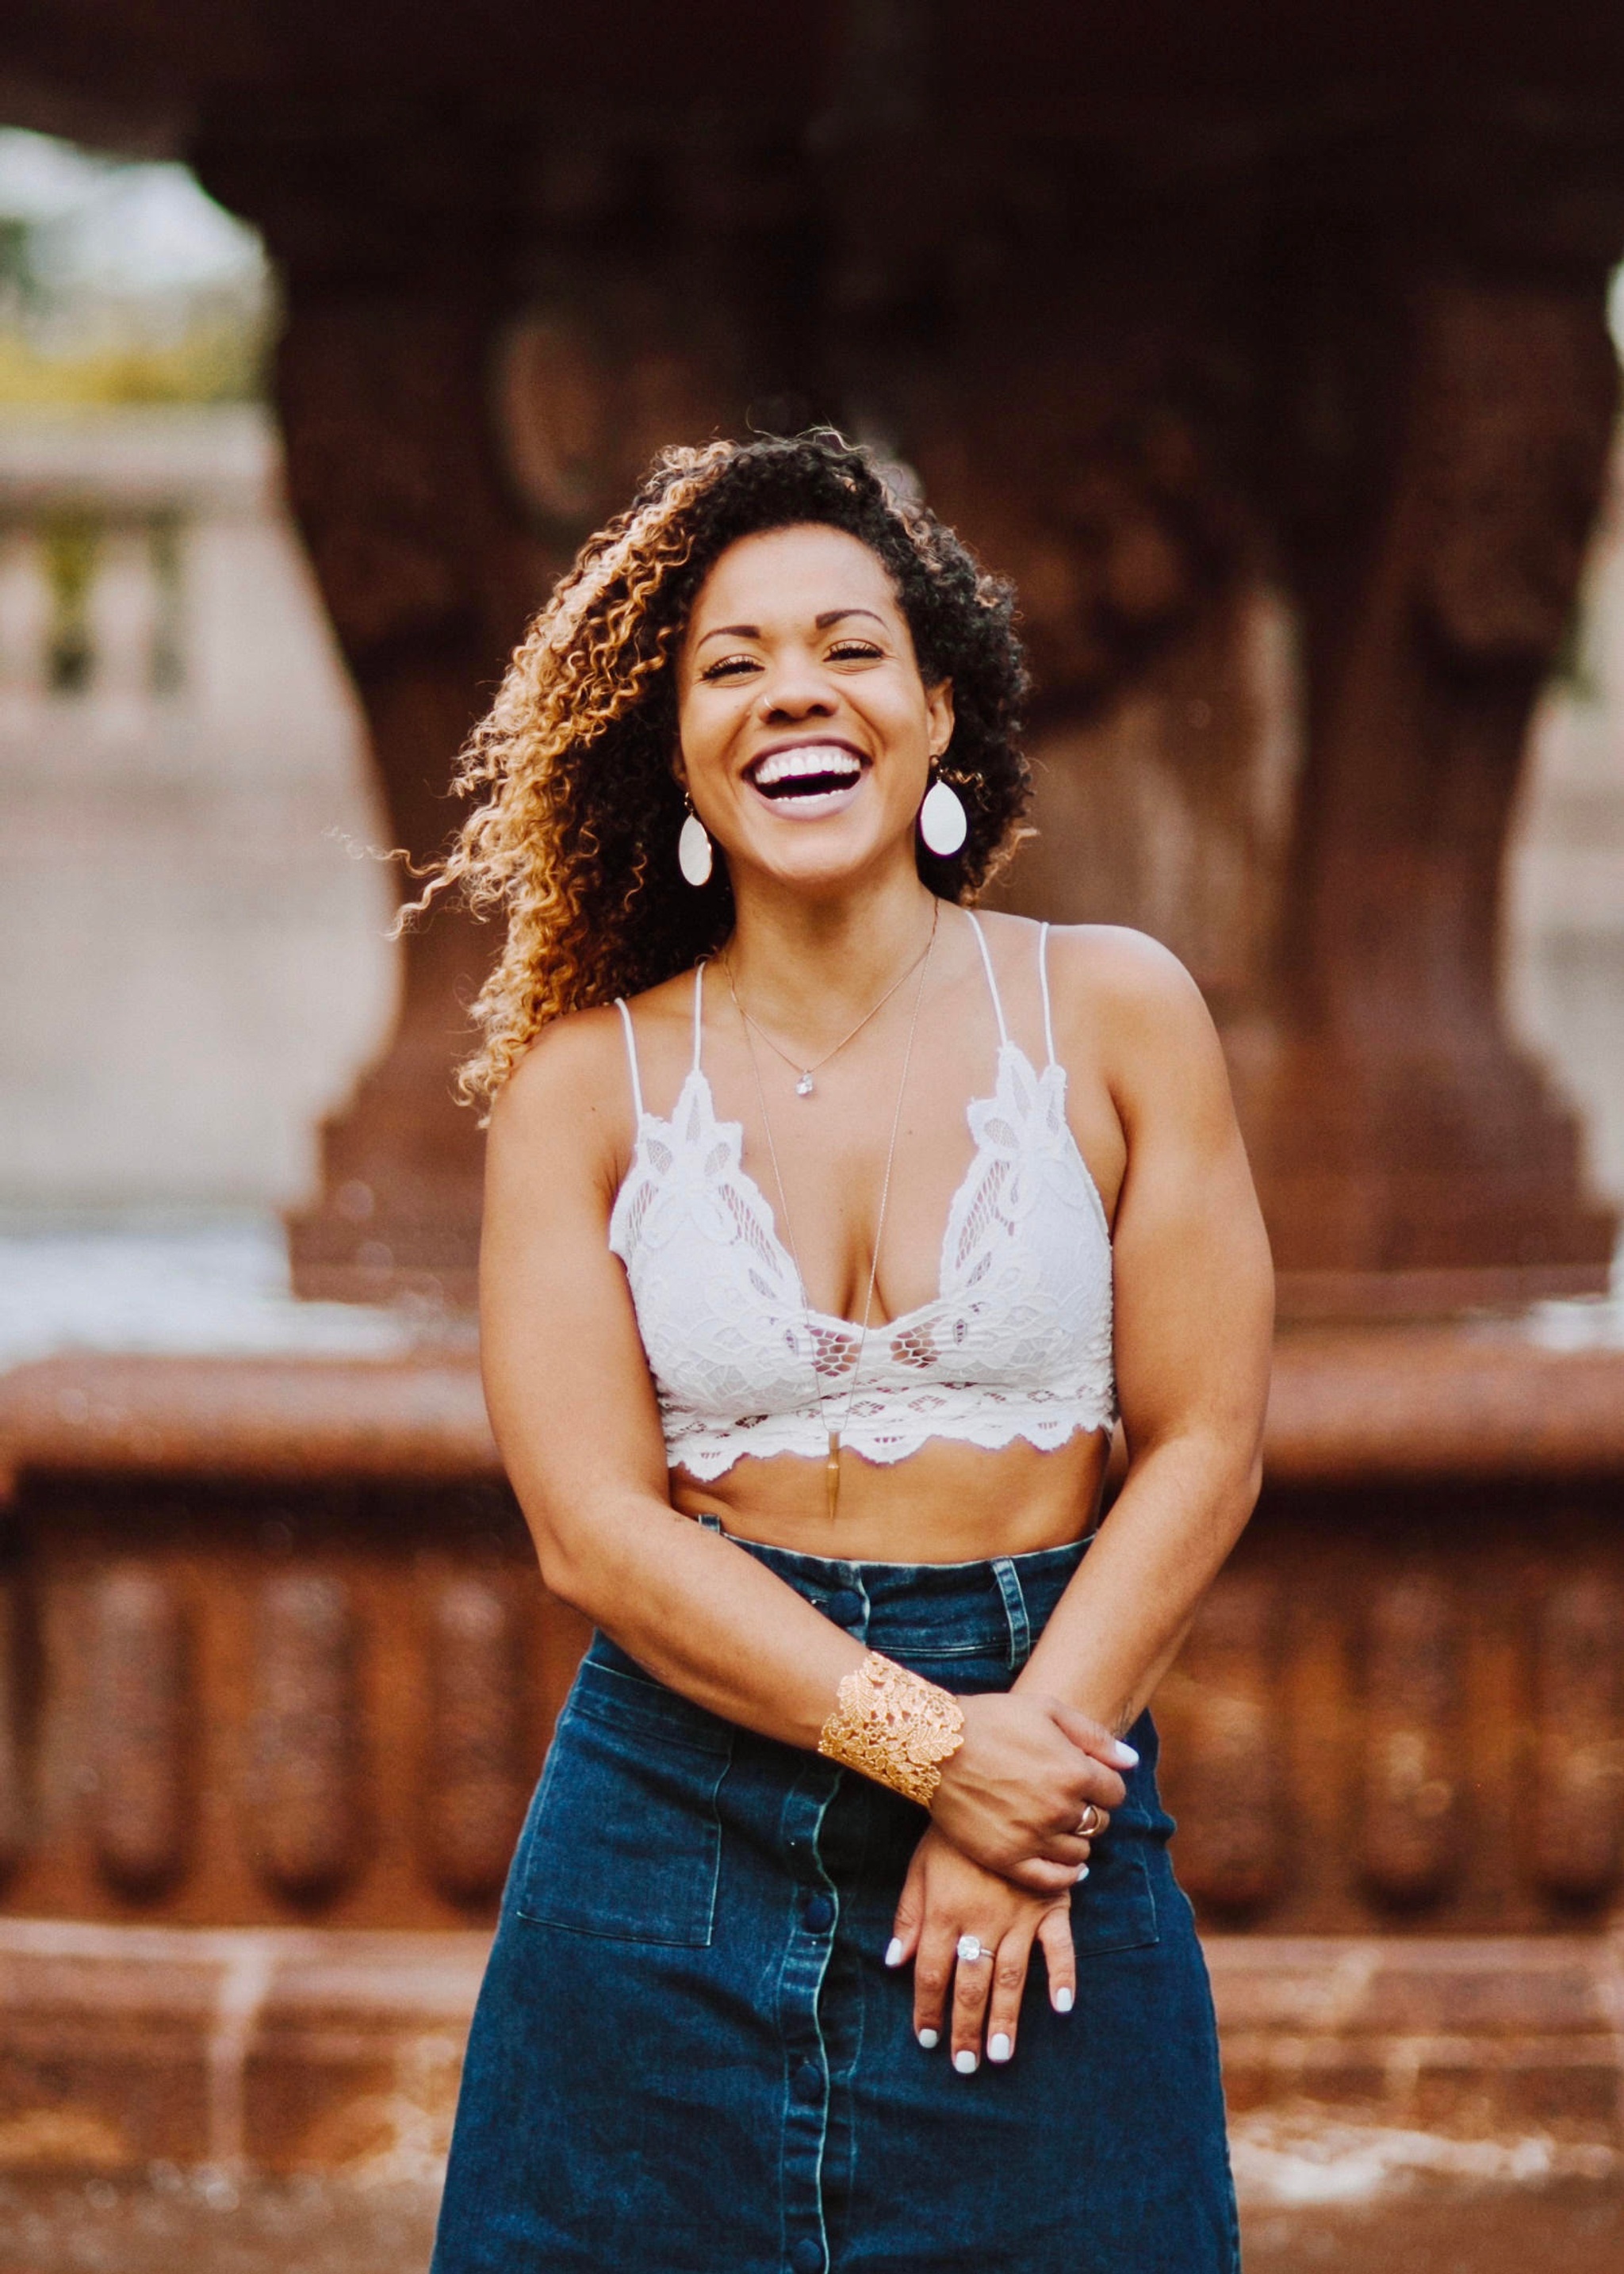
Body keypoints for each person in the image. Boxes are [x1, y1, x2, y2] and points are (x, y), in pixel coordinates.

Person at [423, 431, 1274, 2274]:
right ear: (670, 743)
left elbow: (1206, 1439)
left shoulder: (1116, 1010)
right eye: (728, 664)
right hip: (664, 1813)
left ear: (938, 704)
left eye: (847, 647)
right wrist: (924, 1750)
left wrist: (1010, 1774)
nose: (791, 693)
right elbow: (591, 1528)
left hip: (1052, 1757)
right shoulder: (584, 1088)